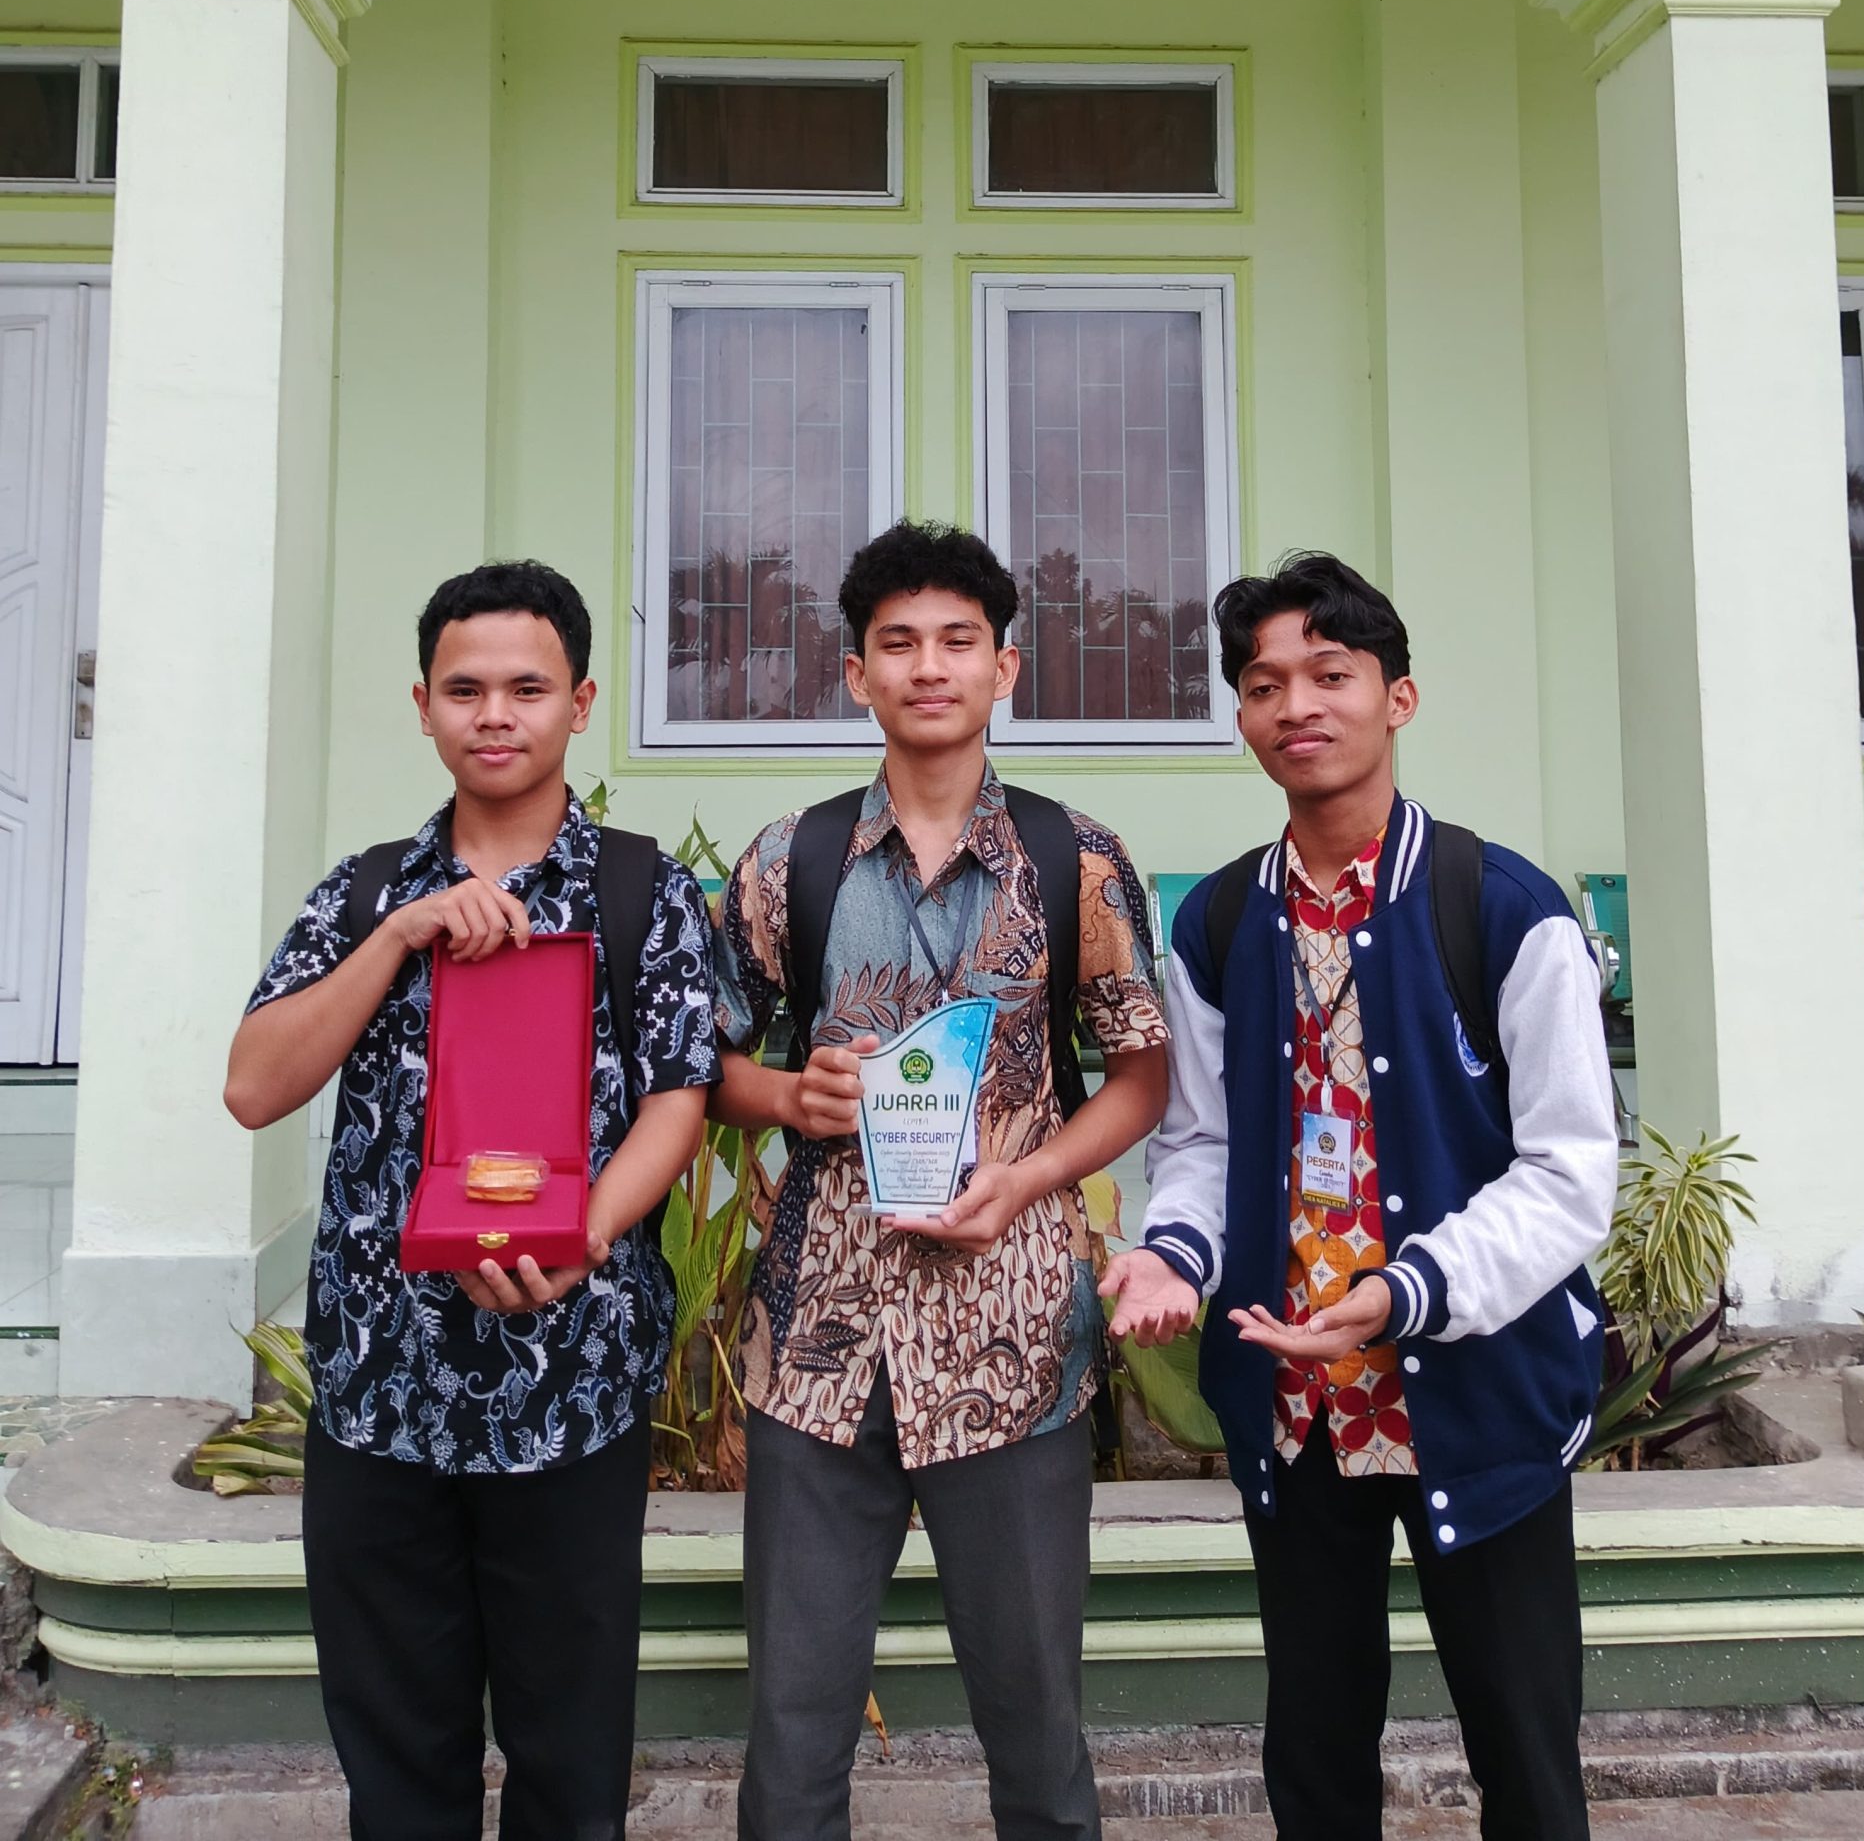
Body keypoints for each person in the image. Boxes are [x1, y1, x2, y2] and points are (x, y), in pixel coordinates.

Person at [1100, 552, 1616, 1841]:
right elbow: (1201, 1142)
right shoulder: (1219, 922)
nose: (1297, 706)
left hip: (1479, 1397)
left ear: (1399, 697)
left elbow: (1568, 1177)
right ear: (1242, 715)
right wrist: (1174, 1252)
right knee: (1317, 1757)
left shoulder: (1504, 908)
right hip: (1300, 1408)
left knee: (1527, 1758)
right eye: (1263, 683)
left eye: (1330, 674)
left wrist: (1407, 1291)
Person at [225, 560, 719, 1841]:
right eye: (465, 688)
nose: (495, 713)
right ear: (424, 705)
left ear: (580, 703)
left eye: (527, 687)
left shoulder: (644, 891)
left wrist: (583, 1238)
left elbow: (679, 1099)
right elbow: (255, 1086)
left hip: (573, 1382)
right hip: (379, 1389)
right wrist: (398, 936)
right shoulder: (362, 890)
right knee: (399, 1765)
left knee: (570, 1765)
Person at [710, 520, 1169, 1841]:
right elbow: (701, 1067)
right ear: (857, 673)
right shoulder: (786, 861)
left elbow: (1141, 1075)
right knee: (793, 1736)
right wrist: (789, 1097)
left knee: (1037, 1730)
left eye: (958, 641)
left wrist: (1035, 1178)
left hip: (1012, 1342)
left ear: (1003, 668)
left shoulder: (1077, 860)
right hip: (819, 1346)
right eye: (898, 644)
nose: (929, 666)